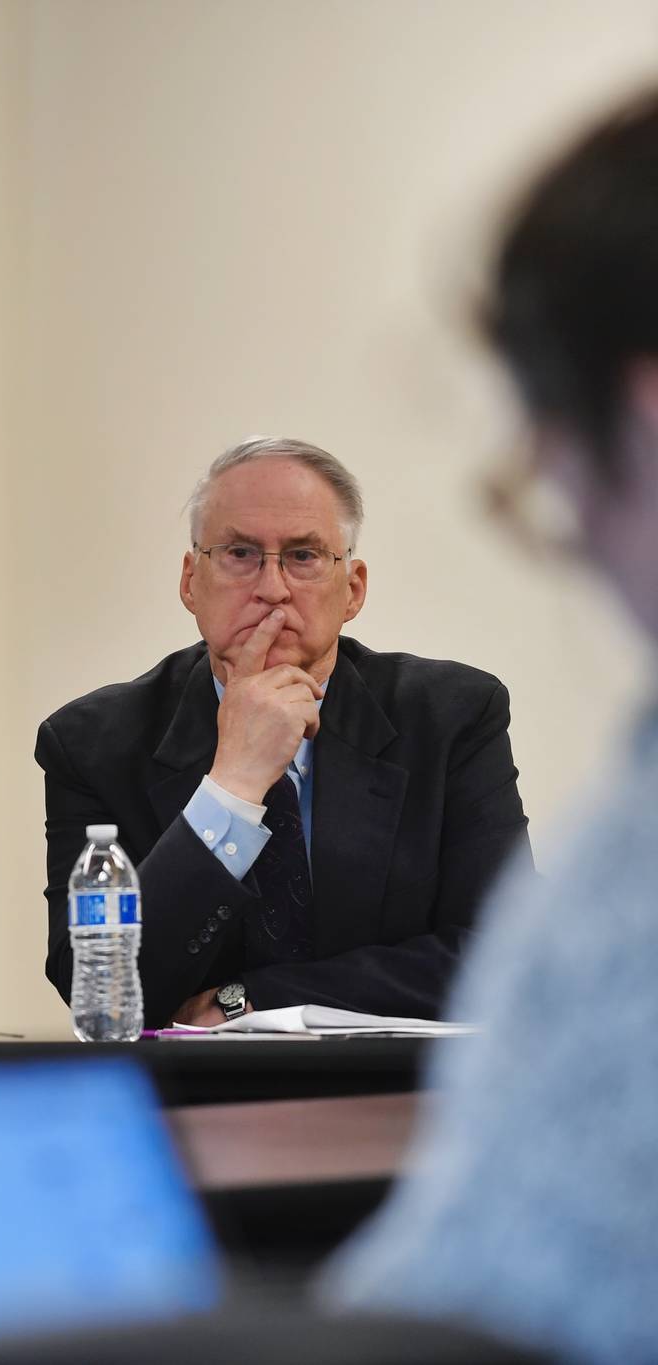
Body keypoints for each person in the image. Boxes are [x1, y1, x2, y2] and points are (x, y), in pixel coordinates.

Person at [323, 88, 658, 1363]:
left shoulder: (454, 720)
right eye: (238, 555)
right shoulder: (112, 732)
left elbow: (484, 1303)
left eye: (545, 473)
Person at [35, 437, 533, 1028]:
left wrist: (252, 1000)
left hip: (394, 1099)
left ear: (353, 589)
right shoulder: (91, 743)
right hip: (191, 1104)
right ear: (191, 580)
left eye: (303, 556)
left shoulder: (451, 716)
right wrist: (232, 789)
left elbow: (505, 956)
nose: (272, 587)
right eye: (241, 553)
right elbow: (100, 990)